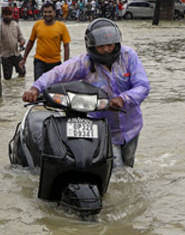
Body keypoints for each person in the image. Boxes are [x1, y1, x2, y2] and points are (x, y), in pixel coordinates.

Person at [22, 19, 150, 167]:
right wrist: (36, 88)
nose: (107, 50)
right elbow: (58, 73)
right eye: (101, 46)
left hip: (131, 126)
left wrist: (123, 99)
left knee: (128, 166)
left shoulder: (128, 56)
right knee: (116, 169)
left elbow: (143, 86)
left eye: (110, 45)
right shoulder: (85, 62)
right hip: (102, 127)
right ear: (92, 46)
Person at [20, 2, 70, 81]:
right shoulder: (37, 25)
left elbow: (66, 46)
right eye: (45, 12)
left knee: (53, 89)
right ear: (42, 13)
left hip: (55, 62)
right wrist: (24, 58)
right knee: (38, 86)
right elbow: (30, 42)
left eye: (50, 12)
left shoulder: (62, 27)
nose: (47, 14)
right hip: (40, 61)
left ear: (54, 12)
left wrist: (66, 64)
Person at [0, 8, 25, 79]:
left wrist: (22, 41)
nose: (8, 17)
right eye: (6, 15)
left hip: (16, 54)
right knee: (7, 78)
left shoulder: (15, 24)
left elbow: (20, 36)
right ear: (3, 15)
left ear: (12, 15)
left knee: (22, 73)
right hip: (5, 56)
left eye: (9, 15)